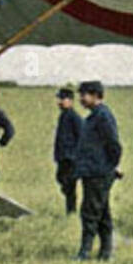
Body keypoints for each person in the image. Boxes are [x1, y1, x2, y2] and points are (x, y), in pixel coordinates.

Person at [73, 80, 122, 261]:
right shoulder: (95, 116)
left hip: (98, 173)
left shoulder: (103, 116)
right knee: (102, 213)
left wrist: (109, 167)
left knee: (90, 212)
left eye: (84, 95)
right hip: (92, 172)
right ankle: (106, 253)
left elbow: (114, 145)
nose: (81, 99)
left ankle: (84, 253)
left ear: (95, 95)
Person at [52, 87, 82, 215]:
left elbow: (82, 136)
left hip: (71, 158)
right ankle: (71, 209)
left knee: (70, 186)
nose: (60, 102)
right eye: (59, 99)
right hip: (62, 158)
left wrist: (76, 155)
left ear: (70, 101)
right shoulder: (63, 116)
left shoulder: (74, 117)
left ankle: (71, 211)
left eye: (63, 99)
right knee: (61, 179)